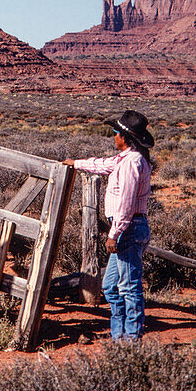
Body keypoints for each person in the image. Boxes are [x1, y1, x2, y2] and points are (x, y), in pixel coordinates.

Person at [63, 110, 153, 340]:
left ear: (126, 137)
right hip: (127, 228)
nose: (113, 136)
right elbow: (102, 165)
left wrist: (115, 233)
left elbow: (126, 202)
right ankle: (119, 337)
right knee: (112, 286)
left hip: (128, 228)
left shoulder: (132, 163)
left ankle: (131, 341)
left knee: (129, 287)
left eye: (115, 132)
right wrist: (76, 163)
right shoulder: (124, 160)